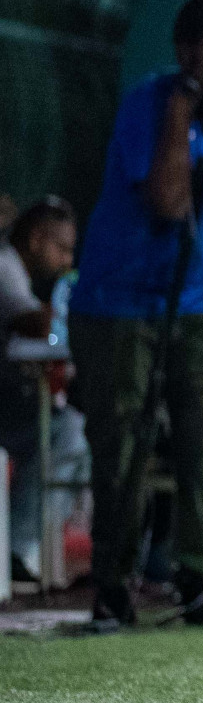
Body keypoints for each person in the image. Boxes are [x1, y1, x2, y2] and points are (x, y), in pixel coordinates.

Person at [70, 0, 203, 628]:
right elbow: (166, 201)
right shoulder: (150, 102)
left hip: (202, 299)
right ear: (185, 53)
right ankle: (114, 580)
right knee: (124, 437)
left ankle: (201, 576)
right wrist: (184, 108)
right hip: (120, 299)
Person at [0, 197, 77, 582]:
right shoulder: (4, 265)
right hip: (6, 409)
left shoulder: (19, 271)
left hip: (12, 404)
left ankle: (26, 549)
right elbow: (37, 325)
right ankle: (18, 549)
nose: (66, 261)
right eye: (60, 248)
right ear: (34, 240)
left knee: (69, 428)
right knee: (66, 430)